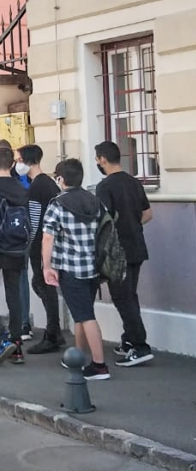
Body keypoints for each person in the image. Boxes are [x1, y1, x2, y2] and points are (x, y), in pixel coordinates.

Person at [42, 159, 110, 380]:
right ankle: (77, 357)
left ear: (61, 179)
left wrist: (47, 266)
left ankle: (99, 366)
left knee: (86, 316)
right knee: (81, 313)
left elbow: (48, 237)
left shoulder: (58, 204)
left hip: (71, 268)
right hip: (93, 268)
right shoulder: (94, 201)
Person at [95, 141, 154, 367]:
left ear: (102, 159)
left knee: (122, 298)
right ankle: (129, 340)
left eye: (97, 159)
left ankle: (140, 346)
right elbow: (147, 214)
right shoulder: (134, 182)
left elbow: (104, 220)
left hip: (117, 251)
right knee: (130, 295)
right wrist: (132, 226)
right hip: (137, 246)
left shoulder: (105, 186)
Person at [0, 146, 30, 365]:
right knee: (14, 293)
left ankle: (0, 336)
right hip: (17, 246)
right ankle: (17, 343)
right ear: (12, 164)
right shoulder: (22, 189)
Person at [16, 144, 65, 354]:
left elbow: (34, 220)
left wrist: (28, 243)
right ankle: (54, 331)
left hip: (40, 244)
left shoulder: (37, 187)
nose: (17, 164)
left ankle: (53, 333)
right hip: (49, 242)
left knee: (44, 285)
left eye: (19, 160)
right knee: (42, 284)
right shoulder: (49, 183)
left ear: (28, 161)